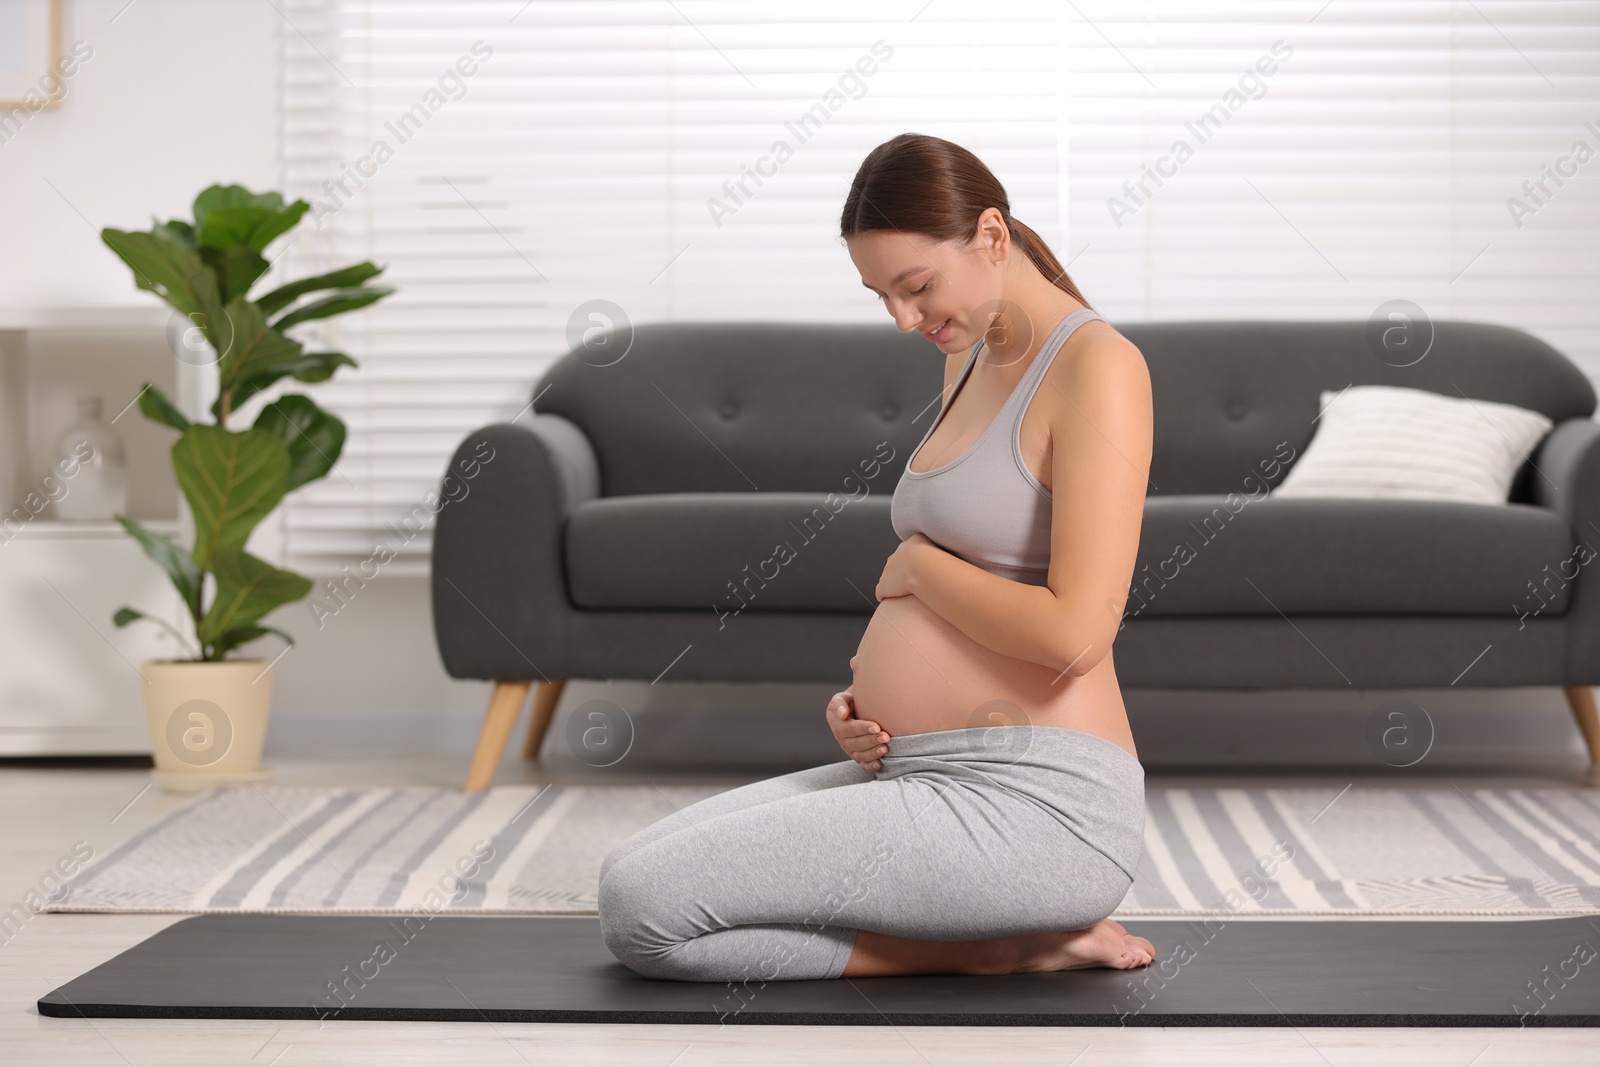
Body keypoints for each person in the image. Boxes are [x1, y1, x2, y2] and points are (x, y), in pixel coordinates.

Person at [598, 132, 1156, 984]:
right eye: (881, 295)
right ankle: (997, 932)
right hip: (923, 769)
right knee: (634, 863)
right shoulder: (967, 353)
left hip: (1040, 804)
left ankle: (999, 945)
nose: (903, 319)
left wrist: (918, 573)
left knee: (645, 911)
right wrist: (871, 702)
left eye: (916, 286)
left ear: (992, 237)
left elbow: (1077, 634)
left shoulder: (1100, 367)